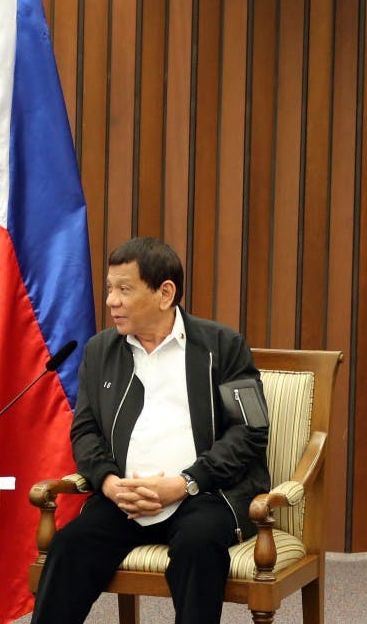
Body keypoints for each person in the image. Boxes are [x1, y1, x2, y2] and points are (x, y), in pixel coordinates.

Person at [31, 236, 270, 624]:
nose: (111, 300)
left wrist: (185, 482)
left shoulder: (222, 345)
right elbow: (85, 431)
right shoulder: (100, 351)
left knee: (199, 547)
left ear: (165, 293)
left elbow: (250, 430)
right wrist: (108, 483)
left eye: (124, 289)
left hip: (203, 496)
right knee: (70, 547)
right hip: (123, 500)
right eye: (110, 288)